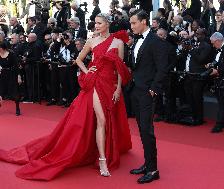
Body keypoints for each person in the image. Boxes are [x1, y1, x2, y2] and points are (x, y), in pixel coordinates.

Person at [0, 13, 132, 180]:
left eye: (99, 23)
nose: (96, 26)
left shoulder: (118, 42)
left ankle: (100, 151)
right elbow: (78, 60)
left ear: (107, 24)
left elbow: (120, 68)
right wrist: (88, 71)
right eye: (95, 23)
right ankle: (102, 159)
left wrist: (118, 88)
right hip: (95, 83)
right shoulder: (91, 41)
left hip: (110, 84)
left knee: (106, 118)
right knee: (102, 120)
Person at [129, 9, 170, 184]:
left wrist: (154, 88)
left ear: (144, 22)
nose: (131, 26)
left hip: (147, 92)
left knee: (147, 130)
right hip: (136, 90)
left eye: (133, 23)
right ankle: (147, 163)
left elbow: (163, 67)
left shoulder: (156, 41)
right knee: (142, 129)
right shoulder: (136, 40)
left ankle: (153, 170)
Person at [0, 41, 22, 115]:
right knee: (1, 91)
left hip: (12, 74)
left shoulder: (11, 54)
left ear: (1, 48)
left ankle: (17, 108)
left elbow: (16, 66)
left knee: (14, 92)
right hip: (2, 74)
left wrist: (19, 76)